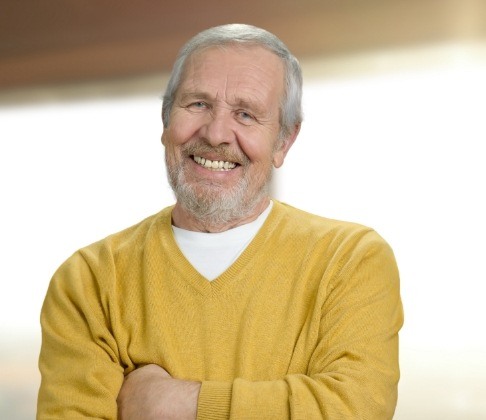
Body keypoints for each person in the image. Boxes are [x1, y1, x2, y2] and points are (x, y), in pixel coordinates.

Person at [37, 23, 403, 419]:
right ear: (165, 122)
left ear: (284, 141)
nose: (215, 134)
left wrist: (176, 403)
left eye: (245, 114)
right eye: (197, 105)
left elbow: (355, 410)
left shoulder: (350, 261)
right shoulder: (89, 281)